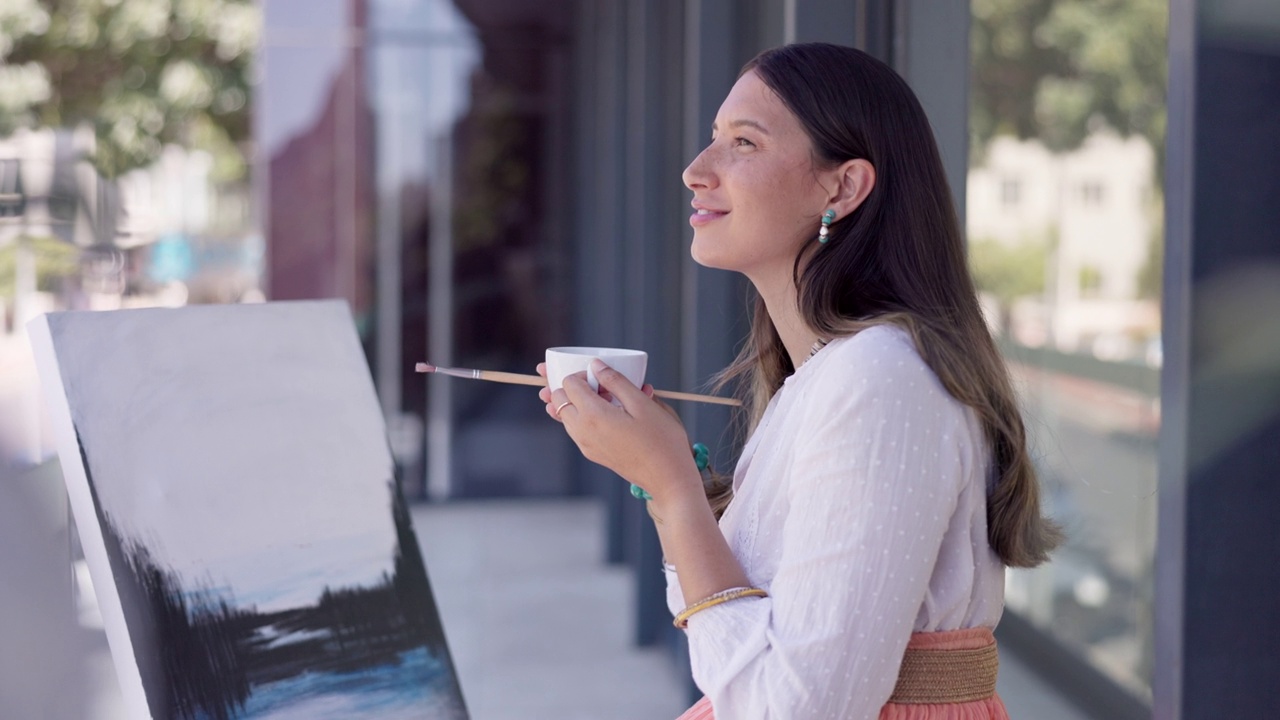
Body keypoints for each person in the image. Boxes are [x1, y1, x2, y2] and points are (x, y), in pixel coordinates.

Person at [537, 42, 1061, 719]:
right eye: (713, 140)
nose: (696, 171)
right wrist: (677, 484)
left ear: (842, 188)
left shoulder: (879, 380)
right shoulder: (824, 376)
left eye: (743, 143)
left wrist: (672, 491)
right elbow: (747, 641)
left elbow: (799, 708)